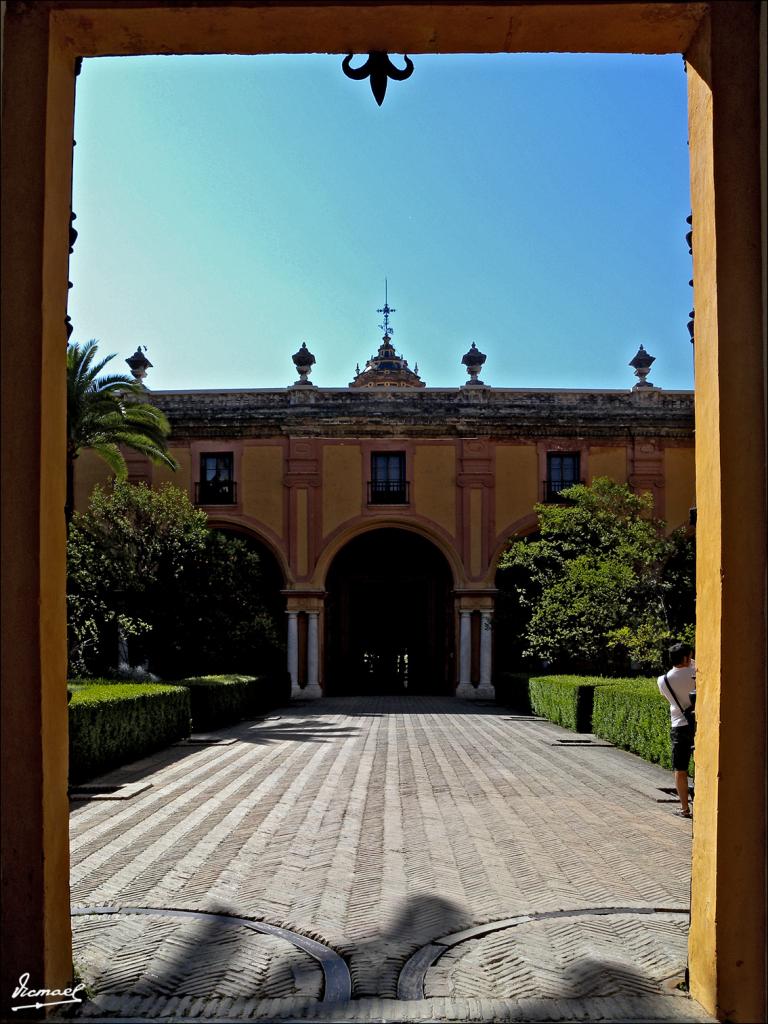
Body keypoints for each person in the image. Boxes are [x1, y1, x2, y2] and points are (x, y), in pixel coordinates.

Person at [658, 642, 696, 818]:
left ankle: (684, 808)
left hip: (679, 725)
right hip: (698, 723)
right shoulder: (697, 672)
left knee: (680, 769)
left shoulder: (663, 680)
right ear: (686, 657)